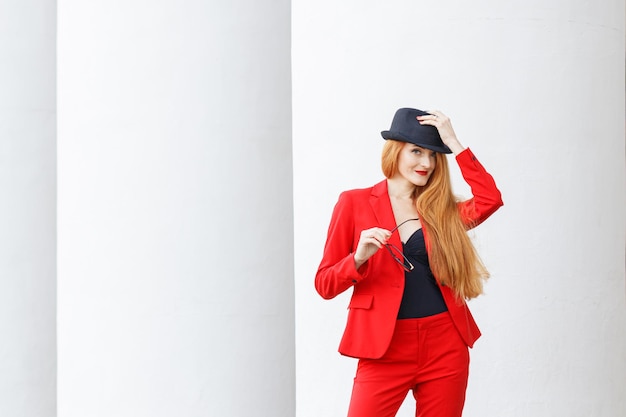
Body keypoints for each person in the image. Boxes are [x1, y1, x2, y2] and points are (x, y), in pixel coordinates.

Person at [315, 107, 503, 417]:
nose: (426, 163)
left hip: (444, 343)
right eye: (416, 151)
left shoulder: (441, 210)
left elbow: (489, 199)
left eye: (433, 155)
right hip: (383, 347)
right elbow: (324, 284)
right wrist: (358, 258)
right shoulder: (354, 202)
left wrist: (454, 143)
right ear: (395, 150)